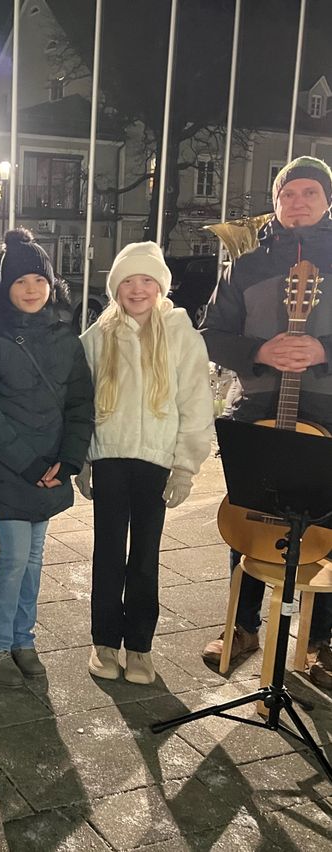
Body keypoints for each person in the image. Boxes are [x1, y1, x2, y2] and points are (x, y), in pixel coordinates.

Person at [200, 155, 332, 690]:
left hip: (326, 406)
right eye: (288, 195)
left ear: (326, 201)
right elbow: (211, 333)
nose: (297, 203)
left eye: (309, 194)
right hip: (258, 404)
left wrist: (322, 349)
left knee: (326, 523)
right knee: (250, 515)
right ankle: (244, 626)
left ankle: (322, 641)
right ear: (275, 202)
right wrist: (262, 351)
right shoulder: (246, 265)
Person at [77, 242, 213, 684]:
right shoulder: (97, 336)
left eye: (147, 280)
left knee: (145, 556)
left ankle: (139, 646)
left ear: (160, 286)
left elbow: (195, 402)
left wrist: (187, 466)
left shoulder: (180, 334)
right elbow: (81, 401)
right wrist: (83, 458)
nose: (138, 289)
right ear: (116, 287)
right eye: (129, 281)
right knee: (109, 553)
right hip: (111, 458)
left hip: (156, 459)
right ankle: (103, 643)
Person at [0, 229, 93, 689]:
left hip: (53, 467)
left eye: (38, 280)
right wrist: (29, 465)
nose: (31, 289)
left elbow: (81, 403)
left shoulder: (65, 337)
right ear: (7, 287)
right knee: (15, 557)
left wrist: (69, 460)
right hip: (10, 470)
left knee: (35, 558)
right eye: (21, 281)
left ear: (50, 283)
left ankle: (23, 639)